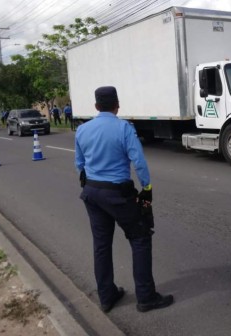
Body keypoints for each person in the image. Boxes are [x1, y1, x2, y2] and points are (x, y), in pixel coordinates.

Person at [75, 86, 173, 313]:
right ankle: (146, 297)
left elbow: (79, 164)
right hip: (118, 194)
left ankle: (107, 296)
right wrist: (146, 188)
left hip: (92, 192)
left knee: (101, 245)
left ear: (96, 106)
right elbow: (138, 161)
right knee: (140, 238)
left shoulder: (83, 130)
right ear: (117, 105)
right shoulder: (124, 128)